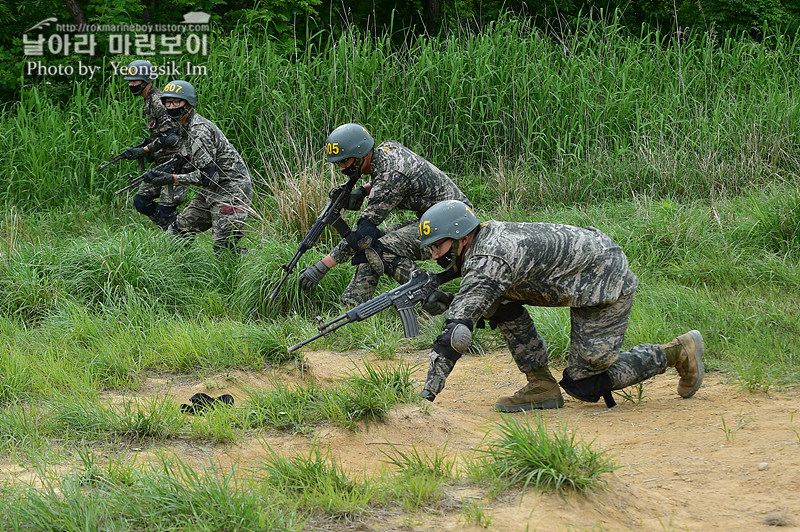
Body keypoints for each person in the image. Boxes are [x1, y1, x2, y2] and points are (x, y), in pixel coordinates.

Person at [416, 199, 704, 411]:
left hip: (602, 277)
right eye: (429, 249)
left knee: (584, 383)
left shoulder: (490, 259)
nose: (433, 256)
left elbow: (455, 337)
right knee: (498, 304)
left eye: (437, 247)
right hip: (581, 271)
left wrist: (426, 397)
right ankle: (541, 385)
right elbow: (479, 295)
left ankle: (677, 352)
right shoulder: (482, 241)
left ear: (462, 239)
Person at [298, 123, 472, 306]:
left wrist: (322, 266)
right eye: (338, 163)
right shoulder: (386, 150)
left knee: (378, 248)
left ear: (360, 155)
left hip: (453, 226)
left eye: (344, 161)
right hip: (440, 217)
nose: (341, 168)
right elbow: (392, 178)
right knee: (371, 246)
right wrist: (364, 190)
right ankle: (353, 305)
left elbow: (364, 232)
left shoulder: (392, 175)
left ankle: (430, 296)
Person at [142, 80, 252, 255]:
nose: (171, 107)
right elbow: (191, 161)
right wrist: (166, 170)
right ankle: (185, 270)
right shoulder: (183, 127)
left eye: (176, 102)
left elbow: (208, 176)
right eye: (168, 103)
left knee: (223, 247)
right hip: (212, 190)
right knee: (178, 231)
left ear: (189, 104)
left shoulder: (198, 131)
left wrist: (173, 178)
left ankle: (249, 267)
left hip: (232, 190)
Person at [120, 59, 188, 229]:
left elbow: (172, 136)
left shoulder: (158, 100)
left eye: (135, 81)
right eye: (130, 81)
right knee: (141, 202)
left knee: (166, 211)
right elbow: (161, 134)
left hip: (174, 162)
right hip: (161, 162)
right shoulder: (149, 101)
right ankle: (173, 230)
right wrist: (143, 149)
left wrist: (144, 149)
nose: (131, 84)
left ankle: (180, 236)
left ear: (147, 81)